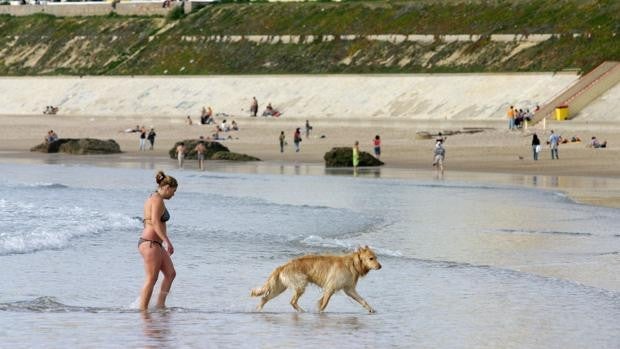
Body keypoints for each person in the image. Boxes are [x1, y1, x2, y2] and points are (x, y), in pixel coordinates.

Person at [138, 171, 177, 311]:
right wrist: (167, 241)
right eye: (173, 191)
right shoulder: (157, 199)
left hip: (155, 244)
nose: (173, 195)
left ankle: (160, 306)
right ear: (166, 187)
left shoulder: (153, 198)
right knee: (151, 278)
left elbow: (148, 221)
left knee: (171, 273)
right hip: (150, 243)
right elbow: (154, 222)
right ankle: (143, 311)